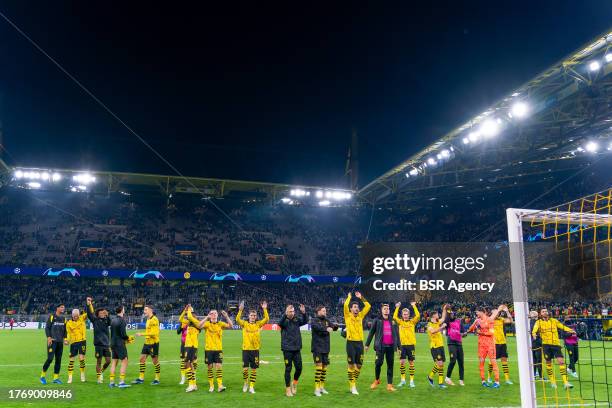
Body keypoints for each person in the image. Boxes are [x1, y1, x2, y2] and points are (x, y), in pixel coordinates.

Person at [532, 307, 575, 389]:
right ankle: (552, 381)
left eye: (546, 311)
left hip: (556, 344)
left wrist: (570, 330)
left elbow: (562, 326)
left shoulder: (554, 321)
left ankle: (566, 382)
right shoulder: (538, 322)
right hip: (546, 345)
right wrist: (534, 334)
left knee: (561, 362)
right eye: (543, 311)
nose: (545, 312)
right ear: (540, 314)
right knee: (548, 363)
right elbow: (534, 330)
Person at [365, 303, 399, 392]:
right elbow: (371, 332)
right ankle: (377, 380)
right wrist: (367, 344)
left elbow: (397, 335)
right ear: (381, 310)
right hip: (380, 346)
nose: (386, 310)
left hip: (391, 347)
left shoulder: (393, 321)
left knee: (390, 365)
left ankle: (389, 385)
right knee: (378, 363)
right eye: (384, 308)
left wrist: (399, 347)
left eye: (387, 308)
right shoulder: (377, 320)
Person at [236, 300, 269, 394]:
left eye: (254, 315)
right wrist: (240, 310)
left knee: (254, 369)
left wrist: (265, 309)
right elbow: (237, 319)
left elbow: (266, 319)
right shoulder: (244, 324)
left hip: (255, 350)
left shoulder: (258, 324)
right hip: (246, 350)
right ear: (249, 316)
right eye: (251, 315)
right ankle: (246, 383)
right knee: (245, 369)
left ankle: (251, 386)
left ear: (256, 317)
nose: (253, 317)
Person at [468, 306, 502, 388]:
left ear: (482, 312)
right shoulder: (478, 321)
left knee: (493, 362)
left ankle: (497, 382)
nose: (476, 314)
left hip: (490, 345)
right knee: (481, 363)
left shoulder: (489, 320)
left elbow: (491, 333)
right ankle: (483, 381)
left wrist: (480, 333)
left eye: (477, 312)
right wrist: (474, 322)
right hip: (481, 346)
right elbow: (470, 329)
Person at [343, 291, 371, 395]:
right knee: (351, 366)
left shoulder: (360, 316)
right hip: (350, 343)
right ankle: (353, 386)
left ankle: (353, 383)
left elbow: (368, 306)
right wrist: (349, 297)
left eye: (357, 307)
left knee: (359, 365)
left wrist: (361, 297)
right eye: (354, 307)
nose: (356, 308)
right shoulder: (347, 316)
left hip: (360, 343)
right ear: (351, 309)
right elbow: (345, 305)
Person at [278, 303, 307, 397]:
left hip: (297, 348)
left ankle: (294, 383)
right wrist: (285, 314)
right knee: (288, 369)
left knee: (299, 368)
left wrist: (303, 313)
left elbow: (305, 321)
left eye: (293, 311)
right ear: (287, 312)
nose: (292, 313)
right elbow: (279, 323)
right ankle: (287, 389)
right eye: (290, 311)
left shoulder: (296, 319)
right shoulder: (284, 320)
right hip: (287, 348)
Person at [201, 308, 233, 393]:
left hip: (218, 349)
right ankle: (211, 385)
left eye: (215, 313)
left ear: (217, 315)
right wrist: (206, 317)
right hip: (209, 349)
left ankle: (219, 385)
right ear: (210, 315)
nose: (214, 314)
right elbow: (199, 326)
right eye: (212, 313)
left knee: (219, 367)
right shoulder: (207, 324)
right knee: (209, 367)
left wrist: (226, 316)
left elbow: (231, 326)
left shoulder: (220, 324)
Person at [311, 305, 337, 397]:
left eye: (325, 311)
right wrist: (327, 329)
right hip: (317, 347)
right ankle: (316, 389)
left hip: (326, 347)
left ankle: (321, 387)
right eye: (323, 311)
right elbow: (318, 329)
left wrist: (335, 326)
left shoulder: (327, 320)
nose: (325, 312)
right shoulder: (314, 320)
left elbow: (334, 327)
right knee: (319, 368)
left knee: (324, 368)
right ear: (318, 311)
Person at [392, 301, 420, 388]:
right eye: (404, 314)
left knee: (411, 363)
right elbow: (394, 317)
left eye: (407, 314)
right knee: (402, 362)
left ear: (409, 314)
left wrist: (414, 306)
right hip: (402, 345)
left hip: (411, 345)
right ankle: (403, 380)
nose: (405, 315)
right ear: (402, 315)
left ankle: (411, 381)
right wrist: (397, 307)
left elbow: (418, 316)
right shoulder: (400, 322)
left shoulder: (412, 322)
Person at [132, 305, 161, 385]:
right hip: (147, 343)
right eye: (144, 310)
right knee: (142, 359)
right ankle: (141, 378)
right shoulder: (148, 319)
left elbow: (155, 333)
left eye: (145, 310)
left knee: (155, 361)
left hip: (153, 343)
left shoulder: (154, 319)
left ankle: (157, 379)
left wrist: (142, 334)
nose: (144, 311)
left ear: (150, 310)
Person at [86, 297, 111, 384]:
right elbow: (89, 314)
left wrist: (108, 315)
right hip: (98, 345)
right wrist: (88, 304)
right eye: (101, 313)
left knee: (108, 361)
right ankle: (99, 377)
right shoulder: (95, 320)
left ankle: (101, 372)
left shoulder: (106, 320)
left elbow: (110, 322)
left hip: (106, 344)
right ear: (98, 314)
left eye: (103, 313)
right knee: (99, 361)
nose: (102, 314)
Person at [40, 304, 67, 385]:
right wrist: (48, 337)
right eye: (61, 307)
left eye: (63, 307)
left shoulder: (64, 318)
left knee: (58, 360)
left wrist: (65, 339)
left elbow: (65, 330)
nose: (63, 308)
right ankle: (42, 376)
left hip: (60, 342)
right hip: (52, 342)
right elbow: (47, 328)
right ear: (57, 308)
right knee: (50, 359)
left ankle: (55, 378)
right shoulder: (52, 316)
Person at [109, 305, 133, 388]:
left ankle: (111, 382)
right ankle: (121, 382)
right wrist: (128, 338)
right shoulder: (122, 320)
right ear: (122, 310)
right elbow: (123, 334)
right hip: (119, 344)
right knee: (124, 361)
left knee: (114, 361)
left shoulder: (113, 320)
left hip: (112, 343)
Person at [489, 305, 513, 385]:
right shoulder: (490, 320)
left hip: (502, 342)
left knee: (504, 360)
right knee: (493, 360)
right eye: (495, 312)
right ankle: (489, 377)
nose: (497, 313)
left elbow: (511, 321)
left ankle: (507, 379)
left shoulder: (501, 320)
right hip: (494, 342)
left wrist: (507, 311)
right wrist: (498, 310)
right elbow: (492, 318)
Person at [426, 304, 448, 389]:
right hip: (434, 347)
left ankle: (438, 382)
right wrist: (442, 327)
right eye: (437, 314)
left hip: (440, 345)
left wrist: (444, 309)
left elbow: (443, 317)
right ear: (433, 316)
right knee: (439, 363)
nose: (438, 315)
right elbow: (433, 331)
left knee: (441, 364)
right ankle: (432, 377)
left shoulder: (437, 321)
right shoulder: (429, 325)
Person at [444, 309, 467, 386]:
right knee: (453, 361)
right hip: (451, 343)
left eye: (452, 314)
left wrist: (464, 334)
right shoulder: (447, 322)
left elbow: (463, 332)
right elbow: (445, 321)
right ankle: (447, 378)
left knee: (461, 362)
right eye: (450, 314)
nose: (452, 315)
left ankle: (461, 380)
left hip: (459, 343)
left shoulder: (459, 321)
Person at [183, 305, 202, 392]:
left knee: (186, 363)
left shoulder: (197, 323)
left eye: (194, 314)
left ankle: (191, 384)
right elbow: (180, 319)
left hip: (192, 346)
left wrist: (189, 309)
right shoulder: (189, 323)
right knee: (189, 363)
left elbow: (190, 316)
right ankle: (193, 384)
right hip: (188, 345)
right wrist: (185, 310)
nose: (191, 315)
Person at [66, 308, 88, 383]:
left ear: (79, 315)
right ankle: (70, 377)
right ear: (72, 315)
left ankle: (82, 374)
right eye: (74, 316)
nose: (76, 317)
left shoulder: (82, 318)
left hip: (82, 341)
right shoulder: (69, 323)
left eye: (77, 316)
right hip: (73, 342)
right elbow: (68, 333)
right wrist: (67, 340)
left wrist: (89, 304)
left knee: (81, 358)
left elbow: (90, 313)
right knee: (71, 360)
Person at [177, 307, 190, 385]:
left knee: (192, 362)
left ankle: (192, 378)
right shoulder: (183, 322)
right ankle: (183, 378)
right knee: (183, 361)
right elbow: (178, 332)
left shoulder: (194, 322)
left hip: (191, 344)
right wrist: (182, 326)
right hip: (184, 344)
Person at [529, 310, 543, 380]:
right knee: (538, 360)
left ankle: (534, 375)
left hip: (532, 343)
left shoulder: (530, 322)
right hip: (537, 343)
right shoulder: (536, 322)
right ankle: (540, 376)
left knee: (534, 360)